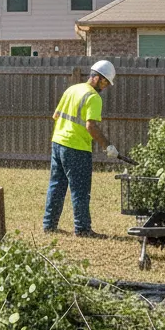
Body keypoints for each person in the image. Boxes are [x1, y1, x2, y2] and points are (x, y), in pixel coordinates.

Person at [42, 60, 119, 239]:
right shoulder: (93, 97)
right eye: (105, 82)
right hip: (76, 148)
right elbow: (91, 127)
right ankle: (83, 229)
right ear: (98, 78)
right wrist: (108, 146)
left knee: (56, 186)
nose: (105, 87)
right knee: (81, 190)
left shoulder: (72, 89)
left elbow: (56, 115)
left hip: (58, 143)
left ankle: (49, 225)